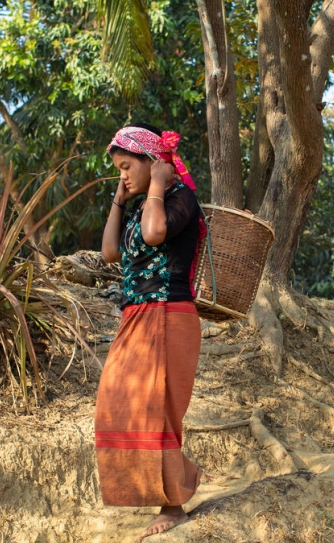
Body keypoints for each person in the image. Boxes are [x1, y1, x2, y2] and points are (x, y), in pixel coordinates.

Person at [96, 123, 206, 540]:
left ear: (150, 161)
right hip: (136, 316)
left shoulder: (180, 199)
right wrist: (119, 201)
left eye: (127, 167)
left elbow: (155, 233)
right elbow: (110, 253)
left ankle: (173, 504)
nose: (123, 176)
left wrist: (159, 182)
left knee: (160, 408)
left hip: (169, 313)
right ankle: (180, 479)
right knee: (117, 400)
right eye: (119, 171)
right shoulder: (141, 204)